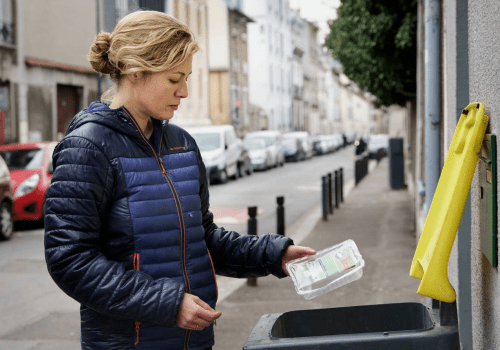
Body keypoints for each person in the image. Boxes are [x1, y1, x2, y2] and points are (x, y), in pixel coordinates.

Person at [44, 11, 316, 350]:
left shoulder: (182, 143)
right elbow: (70, 260)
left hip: (194, 341)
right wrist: (168, 304)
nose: (184, 92)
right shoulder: (87, 147)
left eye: (186, 79)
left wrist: (274, 255)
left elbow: (203, 239)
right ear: (134, 70)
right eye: (175, 80)